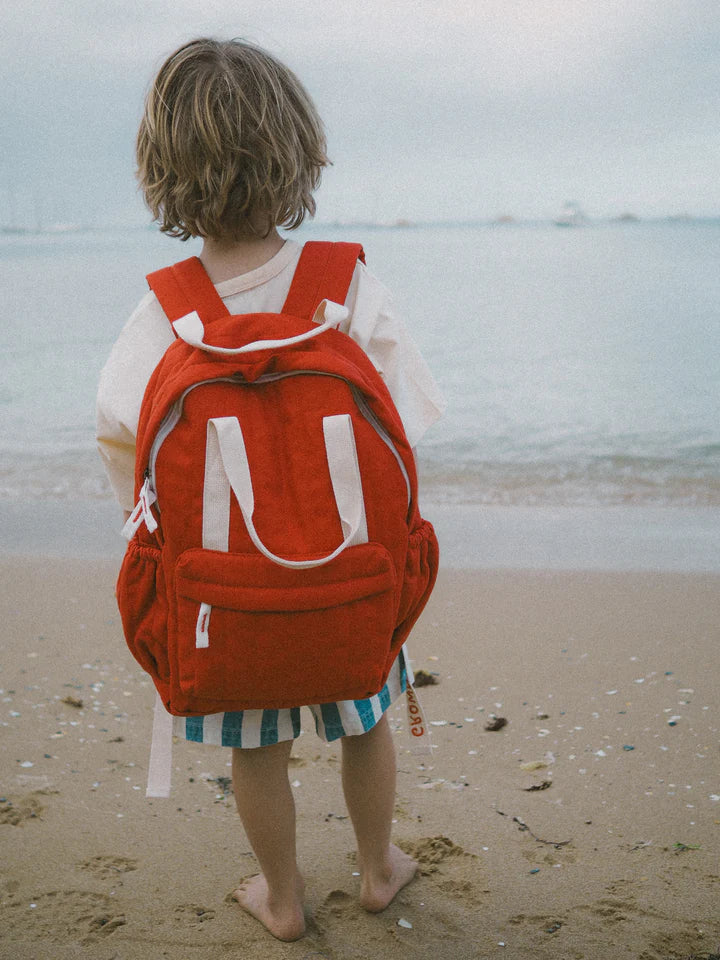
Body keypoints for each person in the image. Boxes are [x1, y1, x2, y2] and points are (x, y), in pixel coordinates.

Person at [96, 37, 445, 942]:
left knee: (257, 745)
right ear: (298, 149)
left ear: (162, 168)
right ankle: (378, 868)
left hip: (228, 597)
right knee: (365, 718)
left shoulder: (164, 311)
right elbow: (407, 426)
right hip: (352, 581)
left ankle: (283, 898)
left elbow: (121, 438)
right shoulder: (344, 285)